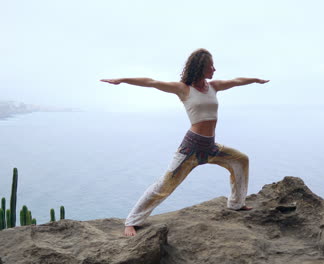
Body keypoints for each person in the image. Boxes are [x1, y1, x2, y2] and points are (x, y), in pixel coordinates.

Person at [101, 48, 269, 236]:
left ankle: (237, 204)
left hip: (210, 146)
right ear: (200, 67)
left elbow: (236, 82)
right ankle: (131, 221)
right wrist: (122, 80)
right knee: (164, 186)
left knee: (240, 160)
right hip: (191, 148)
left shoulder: (213, 86)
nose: (214, 69)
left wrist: (255, 80)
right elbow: (152, 82)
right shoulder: (184, 89)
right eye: (210, 66)